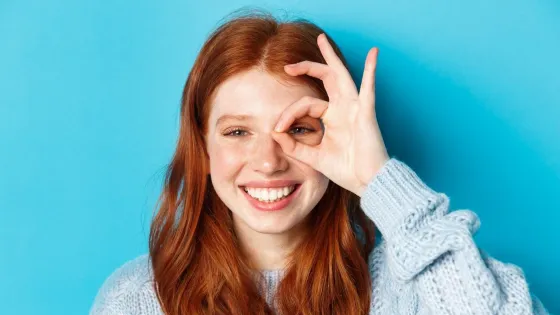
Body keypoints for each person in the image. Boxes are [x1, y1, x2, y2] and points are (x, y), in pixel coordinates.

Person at [89, 10, 549, 315]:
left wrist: (378, 177)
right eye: (237, 132)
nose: (268, 162)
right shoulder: (138, 299)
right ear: (203, 149)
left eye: (298, 128)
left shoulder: (409, 285)